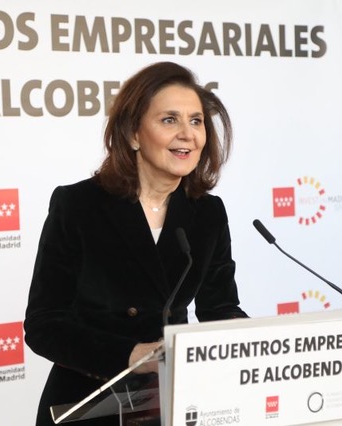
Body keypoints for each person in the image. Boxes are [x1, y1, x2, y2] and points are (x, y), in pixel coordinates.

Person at [24, 61, 248, 426]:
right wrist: (131, 355)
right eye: (169, 120)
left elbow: (219, 308)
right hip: (89, 403)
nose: (187, 134)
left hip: (171, 402)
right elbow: (44, 325)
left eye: (196, 121)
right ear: (132, 134)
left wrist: (256, 343)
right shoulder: (79, 205)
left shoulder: (207, 212)